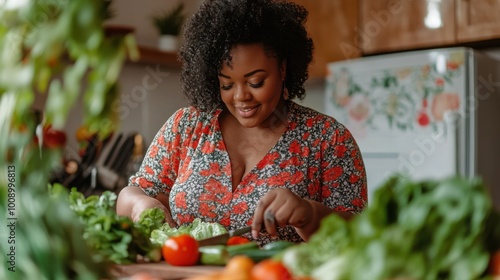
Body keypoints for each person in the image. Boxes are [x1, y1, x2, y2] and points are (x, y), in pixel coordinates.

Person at [116, 0, 367, 246]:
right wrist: (140, 205)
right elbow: (133, 193)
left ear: (283, 68)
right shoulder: (187, 126)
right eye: (227, 84)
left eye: (256, 82)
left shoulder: (329, 138)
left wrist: (310, 215)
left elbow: (361, 236)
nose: (240, 97)